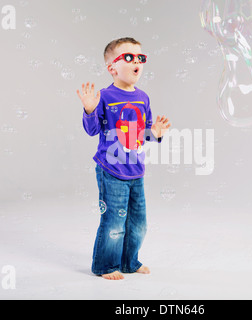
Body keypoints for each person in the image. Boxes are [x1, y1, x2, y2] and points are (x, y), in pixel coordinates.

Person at [76, 37, 171, 280]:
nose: (136, 61)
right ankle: (106, 265)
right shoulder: (105, 96)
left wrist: (156, 133)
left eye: (140, 57)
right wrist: (89, 109)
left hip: (136, 170)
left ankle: (129, 262)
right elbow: (93, 130)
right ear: (112, 68)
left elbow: (142, 131)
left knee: (138, 223)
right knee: (114, 222)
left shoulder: (143, 97)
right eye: (129, 57)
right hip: (111, 169)